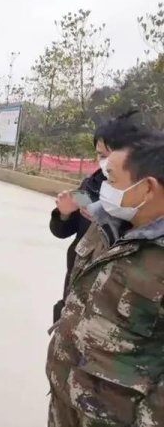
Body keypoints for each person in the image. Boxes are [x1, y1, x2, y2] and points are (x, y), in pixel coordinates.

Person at [46, 133, 164, 426]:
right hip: (66, 395)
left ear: (148, 187)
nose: (103, 185)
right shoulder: (104, 219)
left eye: (111, 177)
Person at [49, 114, 154, 323]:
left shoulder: (143, 195)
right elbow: (62, 231)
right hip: (76, 287)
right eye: (100, 155)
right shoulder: (90, 186)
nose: (105, 163)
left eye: (110, 155)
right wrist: (64, 213)